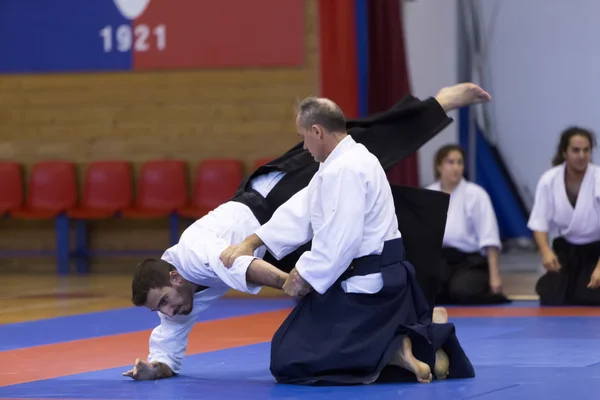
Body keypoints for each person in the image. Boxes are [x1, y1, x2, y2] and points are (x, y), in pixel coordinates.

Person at [122, 83, 491, 381]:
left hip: (267, 201)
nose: (169, 312)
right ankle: (416, 326)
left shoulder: (193, 254)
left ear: (175, 277)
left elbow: (241, 265)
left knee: (361, 143)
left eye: (165, 303)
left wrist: (290, 280)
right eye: (162, 308)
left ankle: (439, 104)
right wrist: (155, 368)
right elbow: (168, 339)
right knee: (380, 216)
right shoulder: (176, 294)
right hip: (275, 239)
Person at [220, 97, 477, 386]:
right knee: (291, 345)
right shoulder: (349, 159)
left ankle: (397, 346)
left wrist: (304, 276)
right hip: (378, 282)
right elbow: (303, 210)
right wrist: (253, 242)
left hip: (367, 289)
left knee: (288, 359)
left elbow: (341, 241)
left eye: (303, 138)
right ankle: (413, 330)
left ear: (317, 132)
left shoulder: (346, 170)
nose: (304, 147)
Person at [426, 144, 510, 305]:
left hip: (469, 262)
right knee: (429, 292)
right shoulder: (429, 193)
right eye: (450, 162)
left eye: (460, 162)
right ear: (439, 166)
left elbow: (489, 237)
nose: (456, 167)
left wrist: (495, 276)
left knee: (462, 291)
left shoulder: (476, 194)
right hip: (440, 260)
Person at [528, 126, 600, 305]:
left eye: (586, 150)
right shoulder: (549, 180)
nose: (582, 155)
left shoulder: (598, 178)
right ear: (564, 152)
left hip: (596, 251)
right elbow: (539, 221)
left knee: (589, 296)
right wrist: (545, 251)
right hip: (567, 249)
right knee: (551, 296)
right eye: (576, 150)